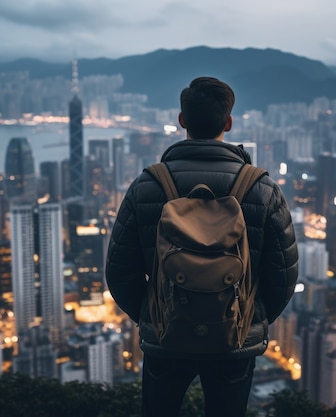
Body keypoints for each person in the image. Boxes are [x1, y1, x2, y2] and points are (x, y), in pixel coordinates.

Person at [106, 76, 299, 417]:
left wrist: (154, 314)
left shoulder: (147, 186)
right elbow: (282, 275)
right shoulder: (262, 189)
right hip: (234, 341)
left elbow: (119, 271)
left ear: (182, 121)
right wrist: (248, 316)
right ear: (228, 123)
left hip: (166, 341)